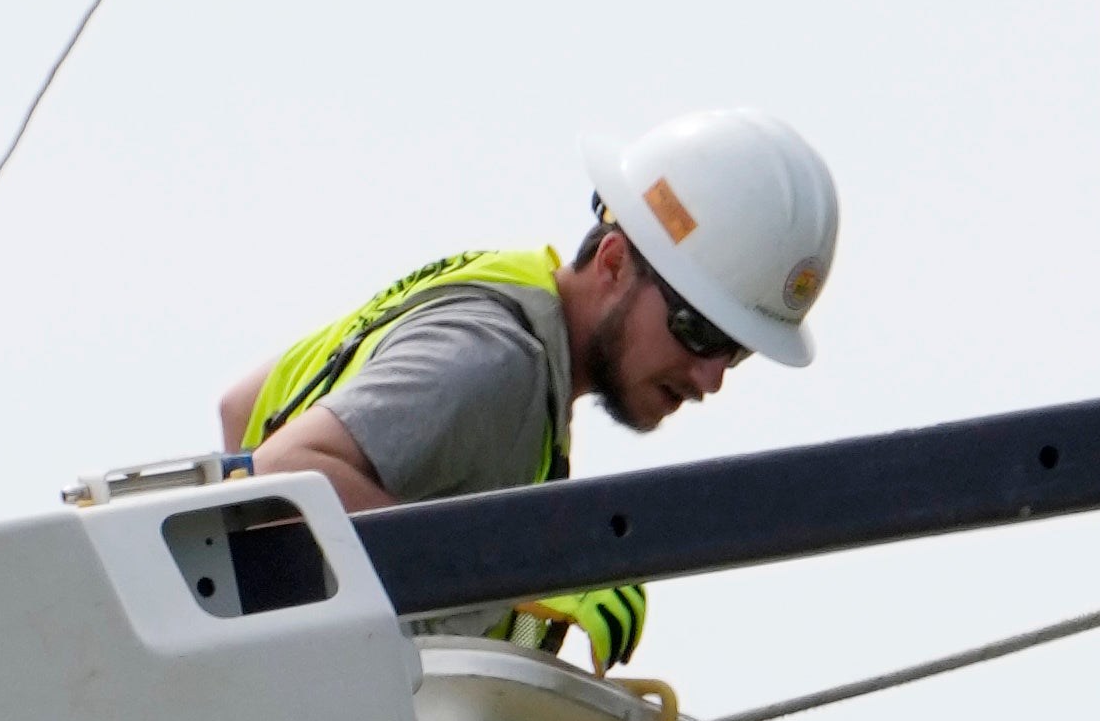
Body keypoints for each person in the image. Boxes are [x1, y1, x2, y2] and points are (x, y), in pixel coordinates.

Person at [218, 109, 846, 673]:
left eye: (736, 351)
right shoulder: (496, 360)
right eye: (698, 331)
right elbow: (279, 473)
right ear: (615, 262)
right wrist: (525, 559)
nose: (711, 377)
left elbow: (245, 408)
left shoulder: (506, 298)